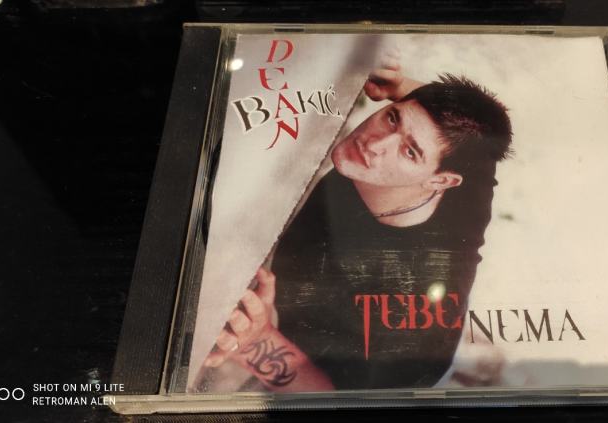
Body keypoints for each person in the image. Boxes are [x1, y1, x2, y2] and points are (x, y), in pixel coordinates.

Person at [197, 57, 513, 392]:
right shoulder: (465, 157)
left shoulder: (409, 324)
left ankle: (476, 374)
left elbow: (343, 400)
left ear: (441, 181)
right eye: (392, 118)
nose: (374, 145)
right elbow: (470, 124)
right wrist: (399, 87)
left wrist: (255, 340)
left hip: (350, 365)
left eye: (409, 152)